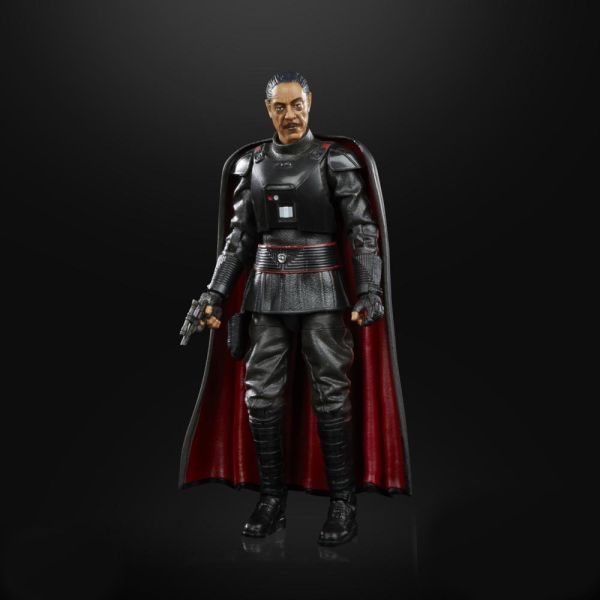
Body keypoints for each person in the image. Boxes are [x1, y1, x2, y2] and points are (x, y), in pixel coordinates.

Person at [180, 72, 411, 547]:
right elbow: (239, 239)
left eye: (297, 104)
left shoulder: (335, 160)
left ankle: (343, 502)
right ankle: (271, 499)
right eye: (280, 107)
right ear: (268, 110)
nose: (290, 115)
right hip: (266, 293)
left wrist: (370, 289)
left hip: (322, 288)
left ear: (310, 103)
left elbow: (362, 230)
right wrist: (215, 294)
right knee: (260, 395)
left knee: (332, 393)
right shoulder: (253, 163)